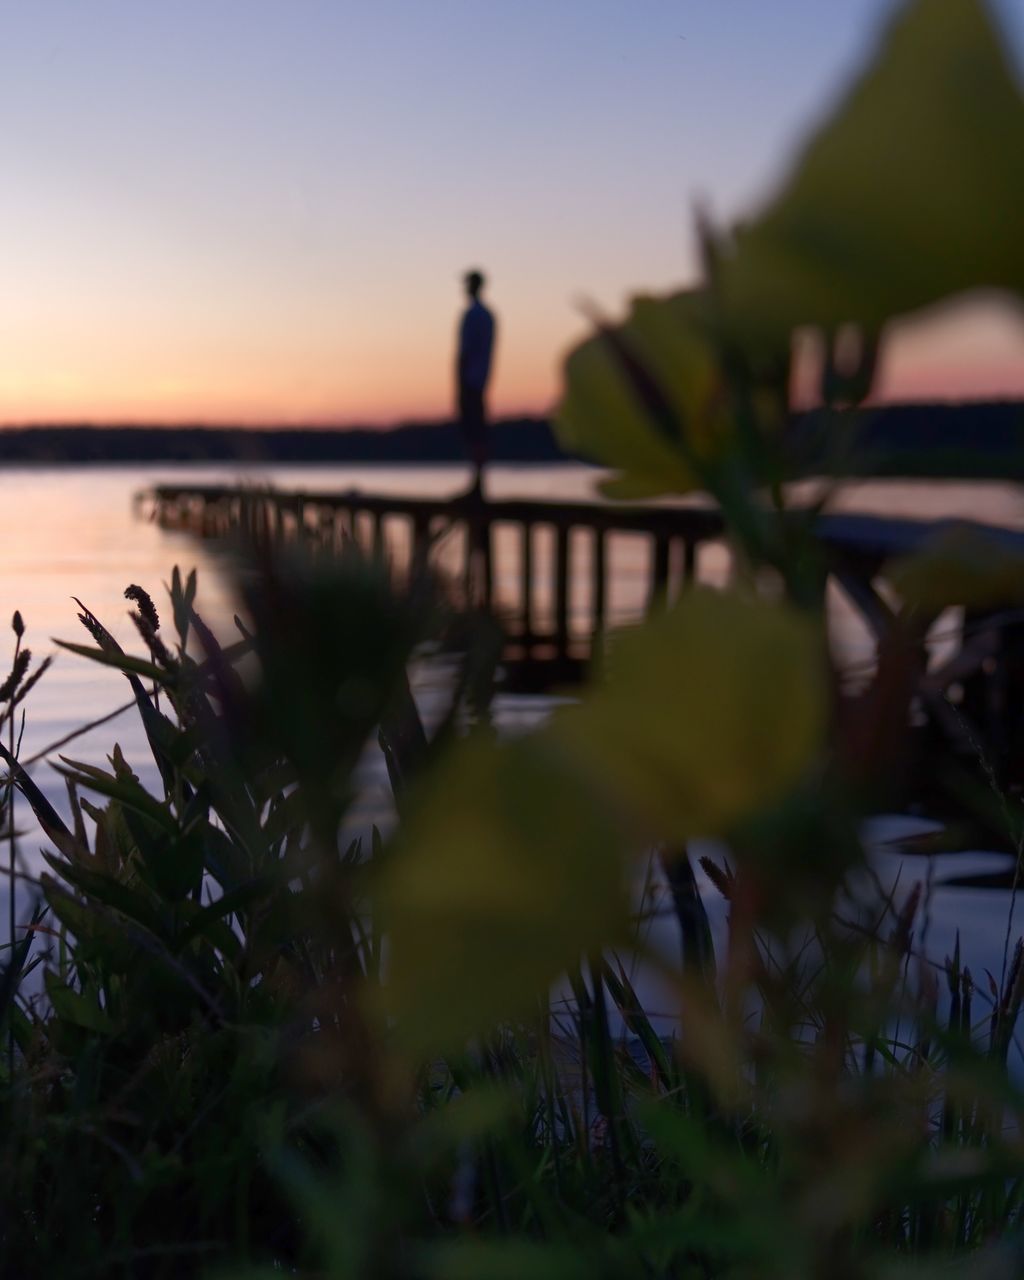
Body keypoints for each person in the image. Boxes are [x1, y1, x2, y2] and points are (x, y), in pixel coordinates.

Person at [456, 269, 496, 494]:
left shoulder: (473, 315)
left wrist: (460, 384)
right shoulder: (488, 315)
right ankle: (479, 482)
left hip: (471, 381)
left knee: (473, 431)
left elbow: (465, 352)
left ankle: (477, 484)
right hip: (481, 380)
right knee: (478, 431)